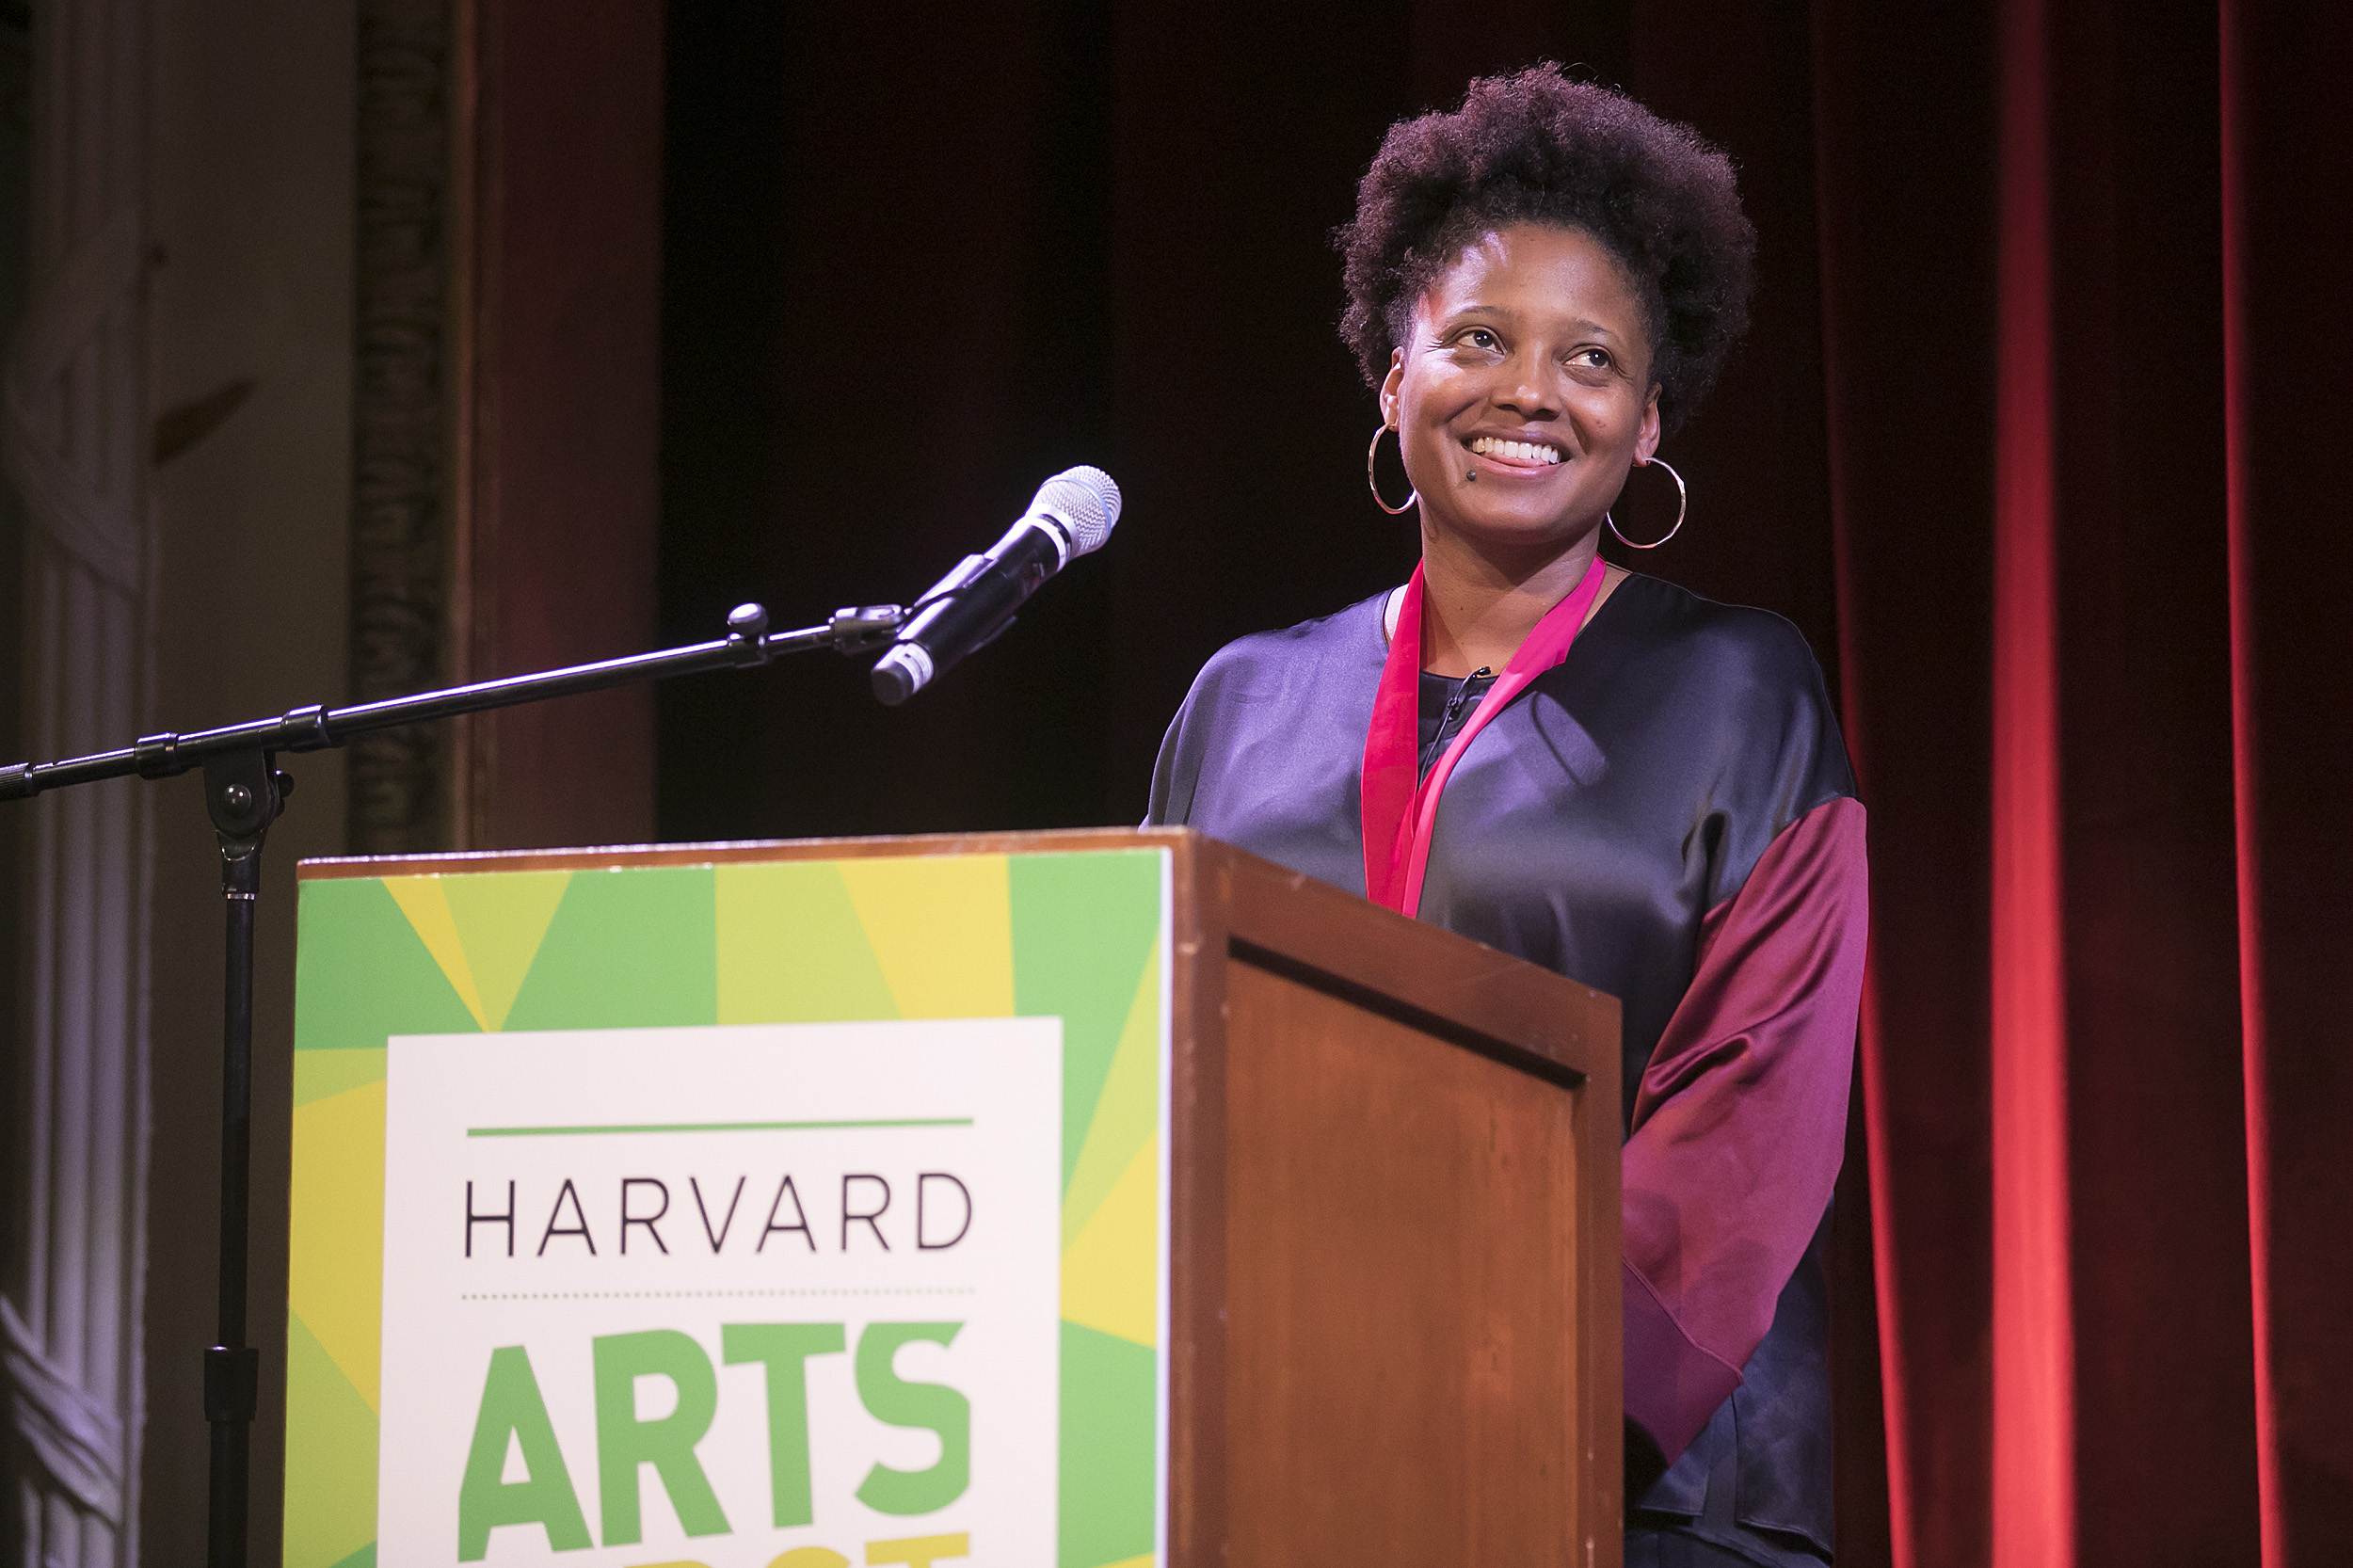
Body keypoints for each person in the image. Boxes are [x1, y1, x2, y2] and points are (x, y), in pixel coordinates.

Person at [1144, 66, 1868, 1568]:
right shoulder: (1242, 701)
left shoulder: (1741, 690)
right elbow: (1149, 1076)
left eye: (1589, 358)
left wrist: (1491, 1374)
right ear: (1391, 375)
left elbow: (1751, 1123)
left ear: (1648, 416)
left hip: (1637, 1482)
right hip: (1282, 1449)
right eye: (1477, 338)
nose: (1528, 389)